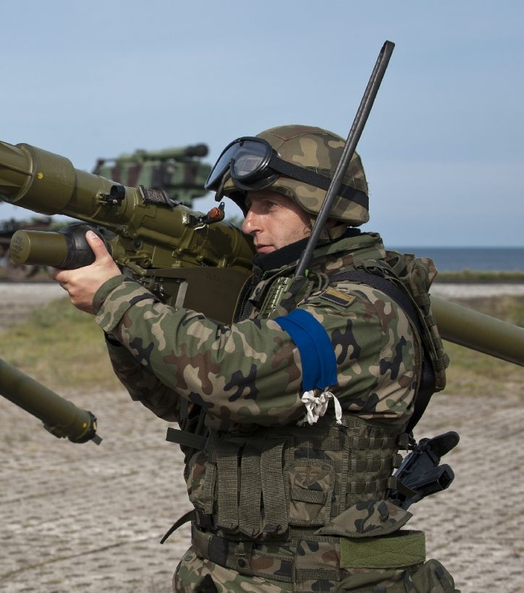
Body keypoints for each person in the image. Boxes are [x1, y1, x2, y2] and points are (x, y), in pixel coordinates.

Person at [52, 126, 457, 592]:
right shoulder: (278, 295)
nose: (249, 224)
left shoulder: (361, 308)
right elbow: (184, 400)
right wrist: (128, 324)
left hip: (331, 580)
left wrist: (118, 301)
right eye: (247, 207)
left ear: (325, 208)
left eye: (268, 206)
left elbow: (234, 376)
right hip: (234, 575)